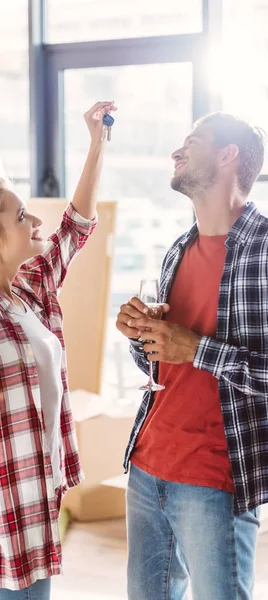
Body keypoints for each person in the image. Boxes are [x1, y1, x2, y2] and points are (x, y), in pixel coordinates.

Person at [0, 101, 117, 599]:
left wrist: (97, 143)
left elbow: (76, 225)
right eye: (20, 216)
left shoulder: (31, 286)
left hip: (35, 492)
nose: (35, 219)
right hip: (9, 507)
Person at [116, 112, 267, 600]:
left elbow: (202, 354)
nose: (177, 152)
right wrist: (143, 337)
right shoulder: (176, 250)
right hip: (146, 466)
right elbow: (164, 366)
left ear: (229, 156)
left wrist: (196, 347)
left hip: (215, 478)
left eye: (192, 142)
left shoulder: (264, 251)